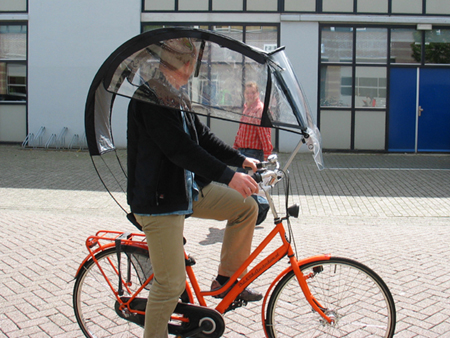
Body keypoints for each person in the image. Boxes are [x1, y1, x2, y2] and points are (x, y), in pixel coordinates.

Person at [127, 38, 263, 338]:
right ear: (186, 64)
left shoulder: (175, 96)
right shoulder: (150, 98)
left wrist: (241, 159)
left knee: (247, 206)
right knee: (170, 284)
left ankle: (225, 282)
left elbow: (202, 138)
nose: (194, 68)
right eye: (194, 62)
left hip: (186, 191)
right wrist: (229, 176)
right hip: (160, 201)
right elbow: (181, 150)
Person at [233, 81, 273, 165]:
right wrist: (235, 148)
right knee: (244, 178)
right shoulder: (247, 108)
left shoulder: (259, 110)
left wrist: (266, 156)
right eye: (247, 93)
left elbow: (264, 135)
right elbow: (241, 131)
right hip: (243, 151)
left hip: (254, 154)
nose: (250, 95)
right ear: (244, 94)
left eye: (253, 93)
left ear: (258, 94)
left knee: (240, 177)